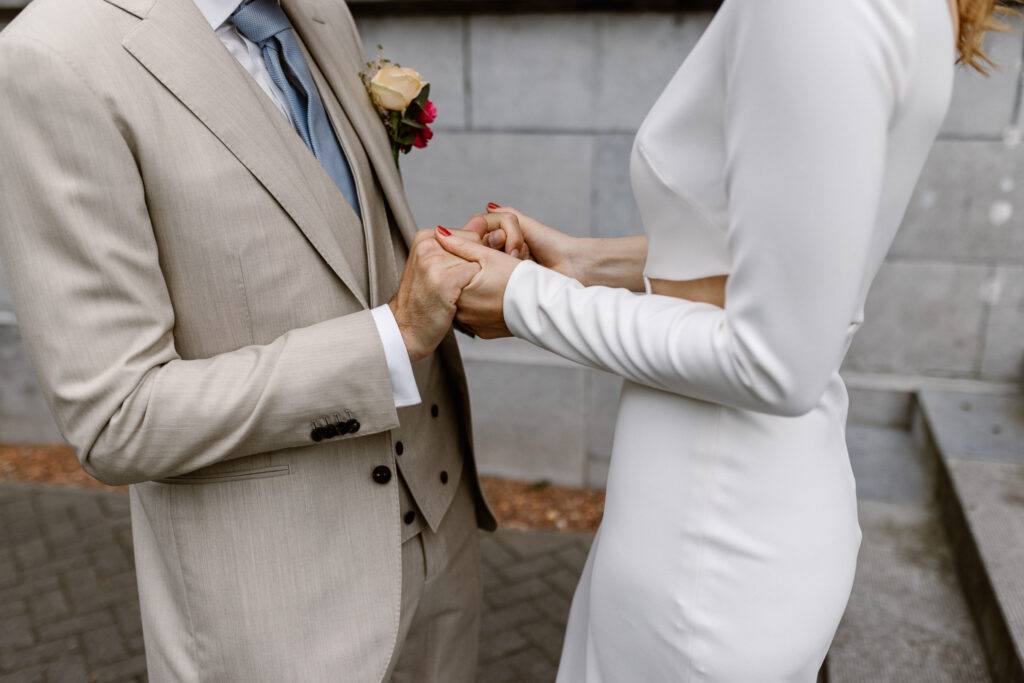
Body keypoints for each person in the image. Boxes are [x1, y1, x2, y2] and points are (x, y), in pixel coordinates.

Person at [435, 0, 1012, 679]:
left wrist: (525, 299)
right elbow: (778, 258)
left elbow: (775, 363)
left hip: (707, 556)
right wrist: (585, 263)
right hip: (715, 522)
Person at [0, 0, 522, 680]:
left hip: (443, 544)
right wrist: (388, 339)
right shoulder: (51, 59)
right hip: (280, 610)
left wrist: (448, 277)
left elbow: (342, 246)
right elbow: (117, 417)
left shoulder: (320, 10)